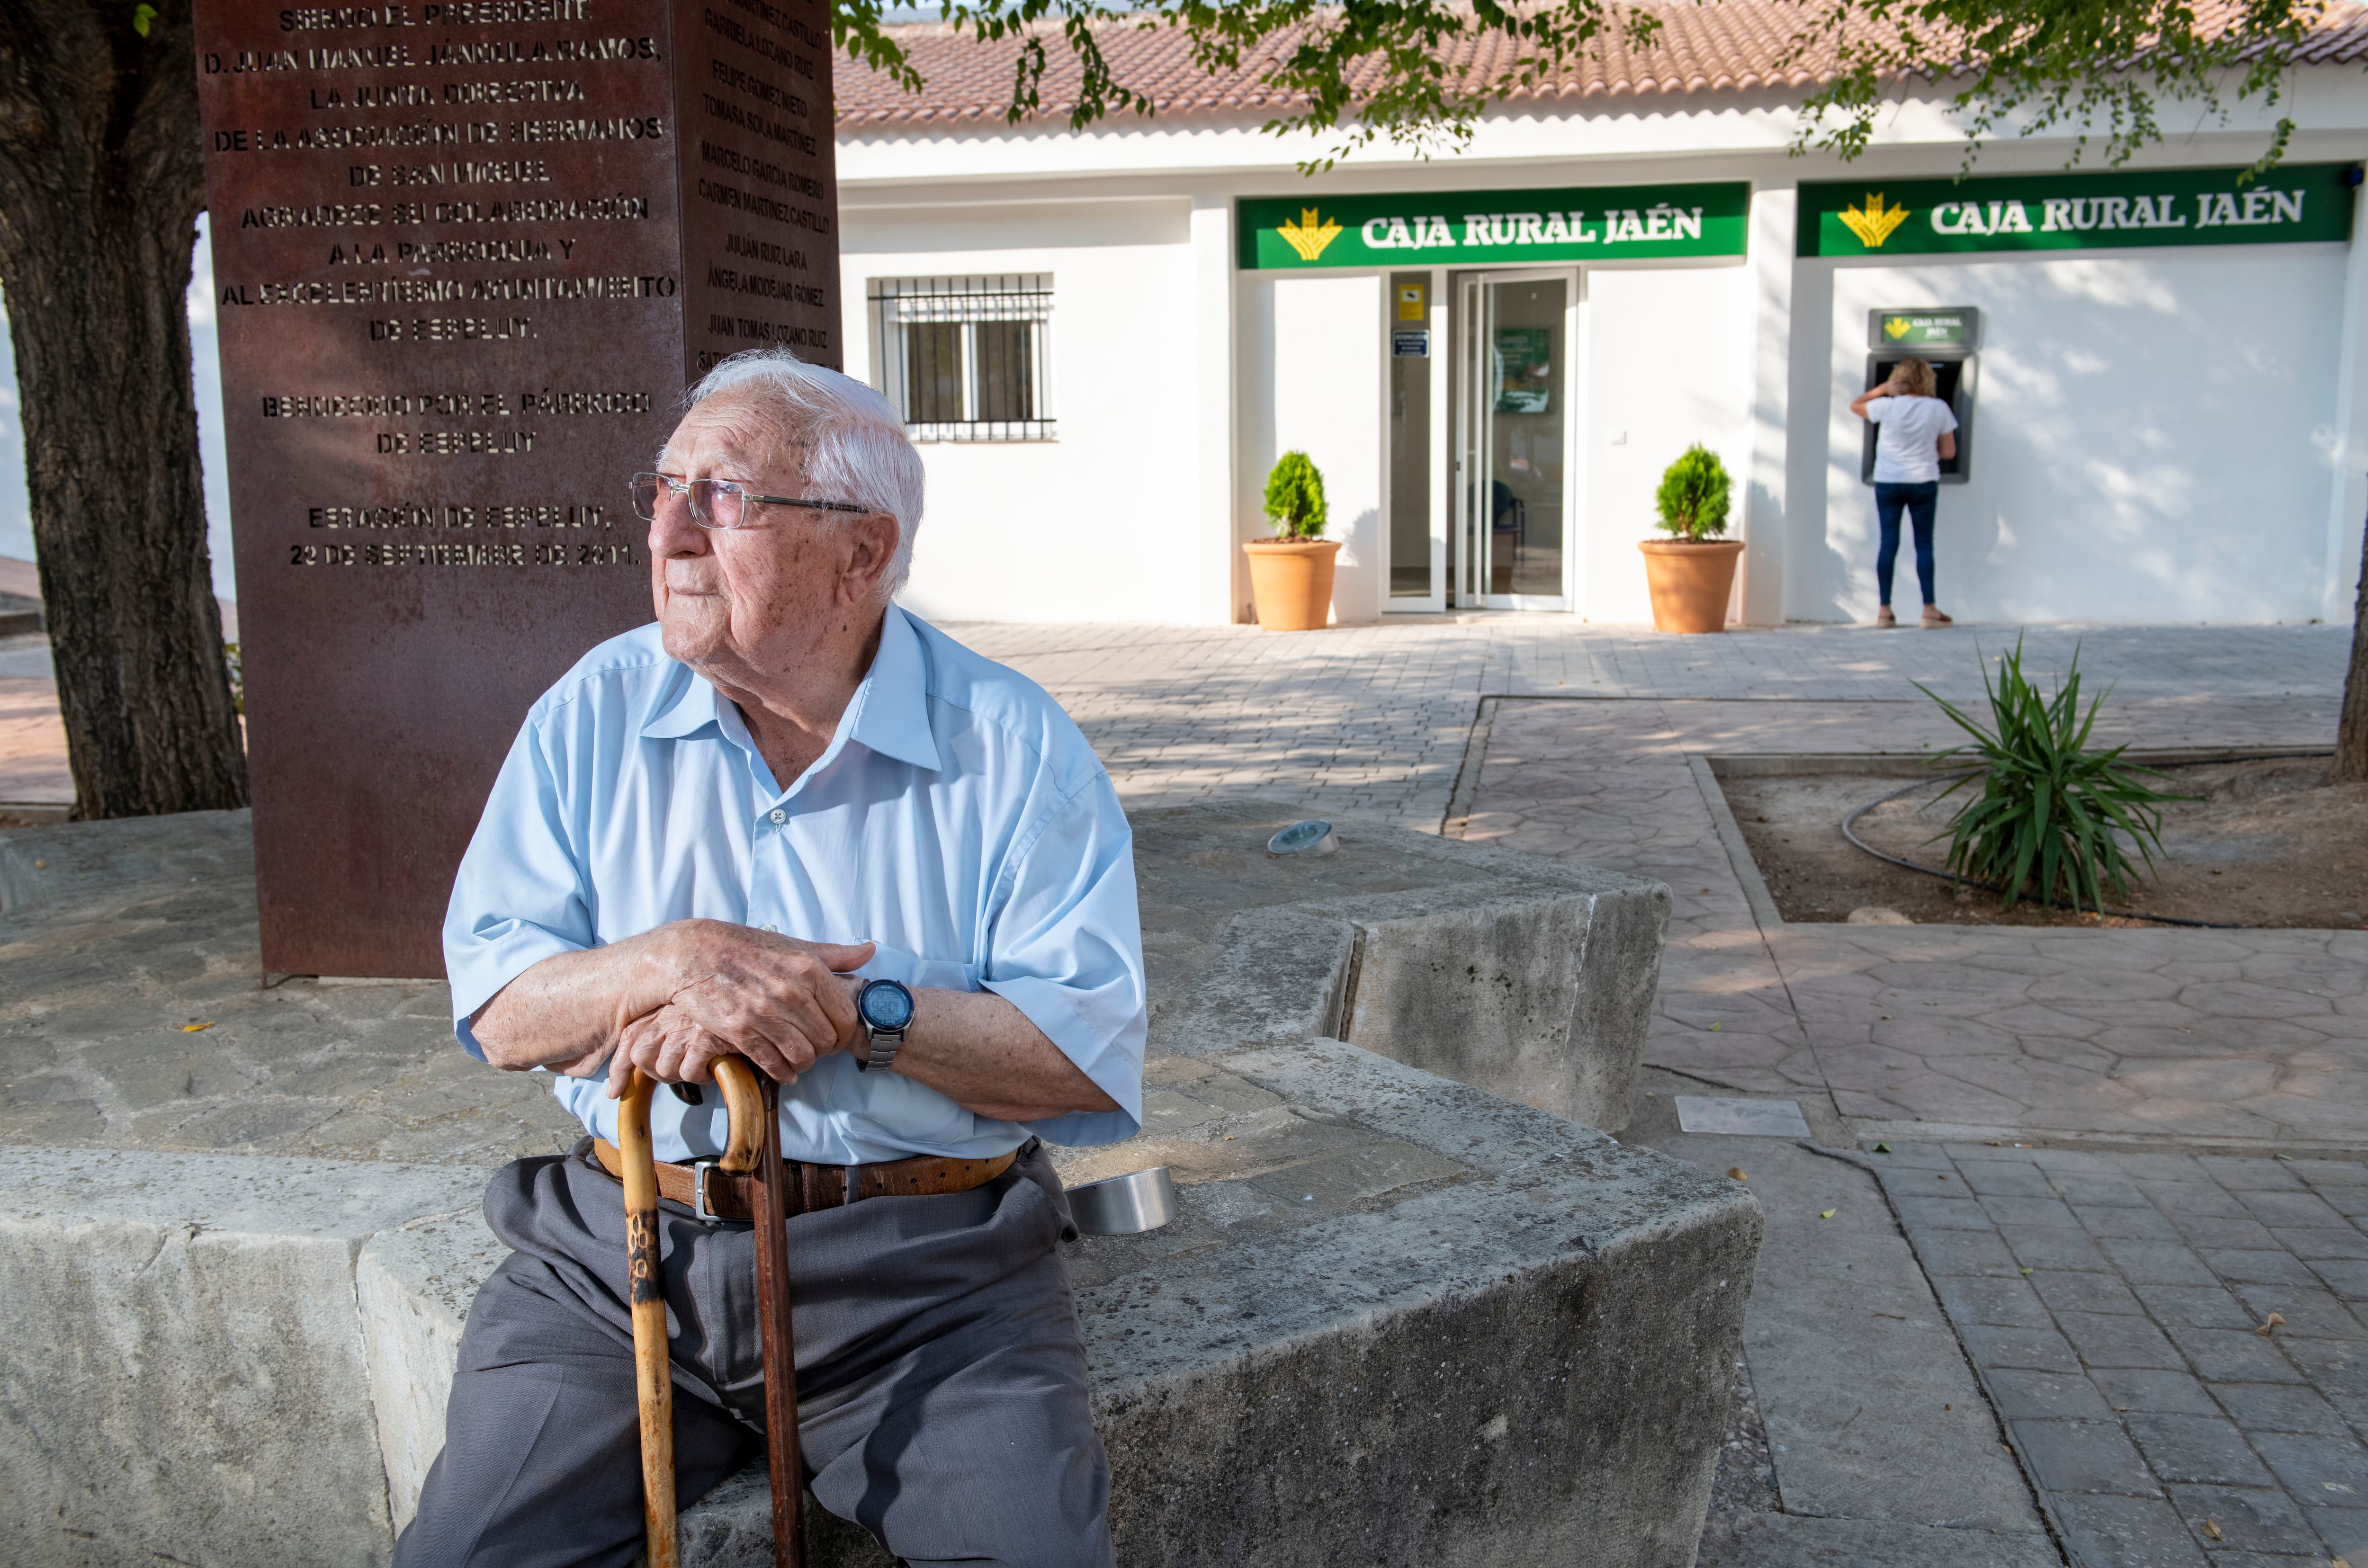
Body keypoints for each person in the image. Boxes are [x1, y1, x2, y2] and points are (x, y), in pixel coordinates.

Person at [399, 347, 1145, 1568]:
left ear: (862, 551)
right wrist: (677, 961)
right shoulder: (592, 711)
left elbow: (1082, 1058)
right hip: (624, 1251)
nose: (674, 532)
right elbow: (497, 1009)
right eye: (663, 488)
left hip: (929, 1284)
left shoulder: (1011, 743)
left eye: (726, 496)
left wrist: (852, 1011)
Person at [1849, 357, 1959, 627]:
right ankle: (1929, 611)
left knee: (1888, 543)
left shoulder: (1887, 406)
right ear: (1928, 380)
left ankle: (1885, 612)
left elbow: (1855, 406)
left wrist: (1881, 389)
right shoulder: (1939, 408)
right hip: (1923, 481)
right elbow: (1948, 452)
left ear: (1900, 379)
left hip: (1888, 481)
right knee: (1924, 544)